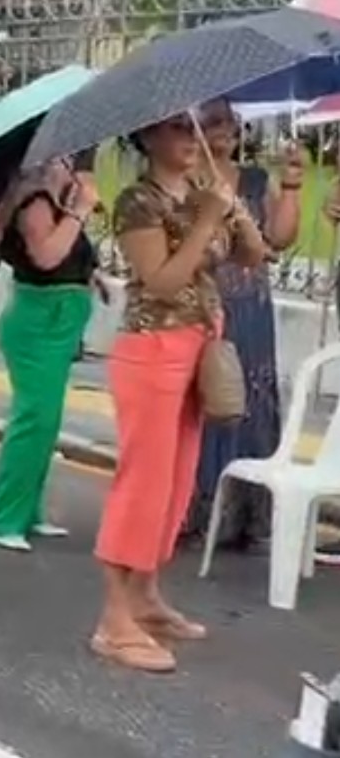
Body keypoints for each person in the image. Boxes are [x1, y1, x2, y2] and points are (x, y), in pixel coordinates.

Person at [92, 111, 268, 673]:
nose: (191, 141)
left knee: (175, 482)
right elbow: (162, 280)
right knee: (143, 482)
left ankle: (145, 595)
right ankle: (114, 619)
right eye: (176, 131)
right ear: (146, 137)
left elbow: (252, 256)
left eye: (194, 131)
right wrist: (205, 221)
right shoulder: (137, 202)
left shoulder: (201, 191)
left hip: (198, 346)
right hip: (153, 348)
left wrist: (233, 215)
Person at [183, 104, 301, 553]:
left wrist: (291, 183)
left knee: (251, 397)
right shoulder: (187, 184)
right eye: (215, 123)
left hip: (250, 307)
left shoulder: (253, 181)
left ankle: (248, 514)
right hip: (205, 303)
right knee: (208, 400)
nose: (227, 131)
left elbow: (280, 238)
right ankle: (199, 509)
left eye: (231, 123)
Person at [0, 157, 99, 552]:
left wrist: (92, 275)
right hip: (39, 322)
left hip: (59, 318)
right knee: (34, 418)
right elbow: (47, 255)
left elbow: (68, 257)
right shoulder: (34, 200)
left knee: (46, 422)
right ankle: (6, 516)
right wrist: (81, 210)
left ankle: (28, 510)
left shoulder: (52, 199)